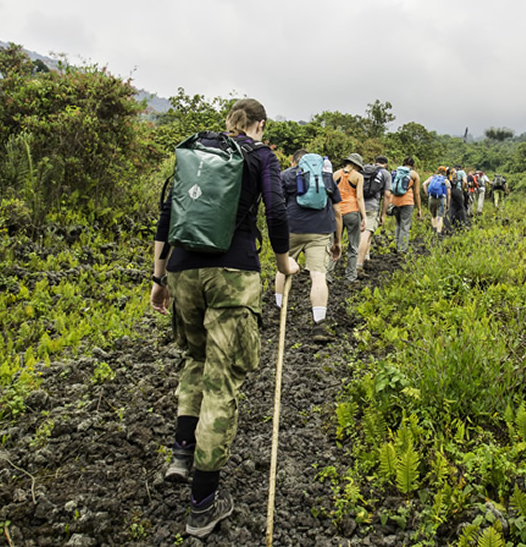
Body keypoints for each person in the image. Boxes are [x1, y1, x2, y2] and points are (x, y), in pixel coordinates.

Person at [150, 98, 299, 539]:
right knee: (222, 379)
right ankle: (202, 504)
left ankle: (181, 454)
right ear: (259, 124)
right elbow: (274, 210)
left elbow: (166, 215)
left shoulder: (198, 152)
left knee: (194, 360)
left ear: (229, 122)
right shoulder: (261, 155)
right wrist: (283, 261)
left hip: (181, 270)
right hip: (232, 271)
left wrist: (157, 278)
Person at [274, 149, 342, 342]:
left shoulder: (286, 175)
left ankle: (280, 311)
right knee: (318, 274)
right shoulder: (327, 177)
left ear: (294, 161)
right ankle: (319, 324)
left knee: (282, 269)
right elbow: (338, 212)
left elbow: (277, 205)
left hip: (292, 228)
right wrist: (337, 241)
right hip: (320, 231)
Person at [328, 153, 367, 283]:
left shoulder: (335, 174)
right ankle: (350, 276)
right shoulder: (358, 177)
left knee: (334, 243)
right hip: (352, 212)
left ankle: (328, 274)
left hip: (337, 212)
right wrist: (364, 217)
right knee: (353, 246)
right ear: (357, 165)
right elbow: (359, 197)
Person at [356, 156, 392, 276]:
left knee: (366, 233)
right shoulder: (385, 174)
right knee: (366, 234)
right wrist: (383, 213)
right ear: (385, 164)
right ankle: (358, 265)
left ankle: (367, 258)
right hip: (372, 207)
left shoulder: (364, 168)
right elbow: (387, 195)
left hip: (357, 205)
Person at [390, 156, 421, 252]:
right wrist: (419, 209)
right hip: (407, 202)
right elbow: (416, 193)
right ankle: (402, 249)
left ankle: (396, 245)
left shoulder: (396, 172)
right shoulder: (414, 175)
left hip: (395, 202)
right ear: (413, 165)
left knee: (398, 224)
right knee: (405, 226)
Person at [421, 166, 450, 236]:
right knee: (440, 216)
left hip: (432, 198)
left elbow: (424, 184)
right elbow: (449, 193)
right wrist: (448, 204)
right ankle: (439, 232)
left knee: (433, 215)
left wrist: (427, 194)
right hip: (441, 199)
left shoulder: (432, 177)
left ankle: (434, 229)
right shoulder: (446, 180)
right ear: (445, 172)